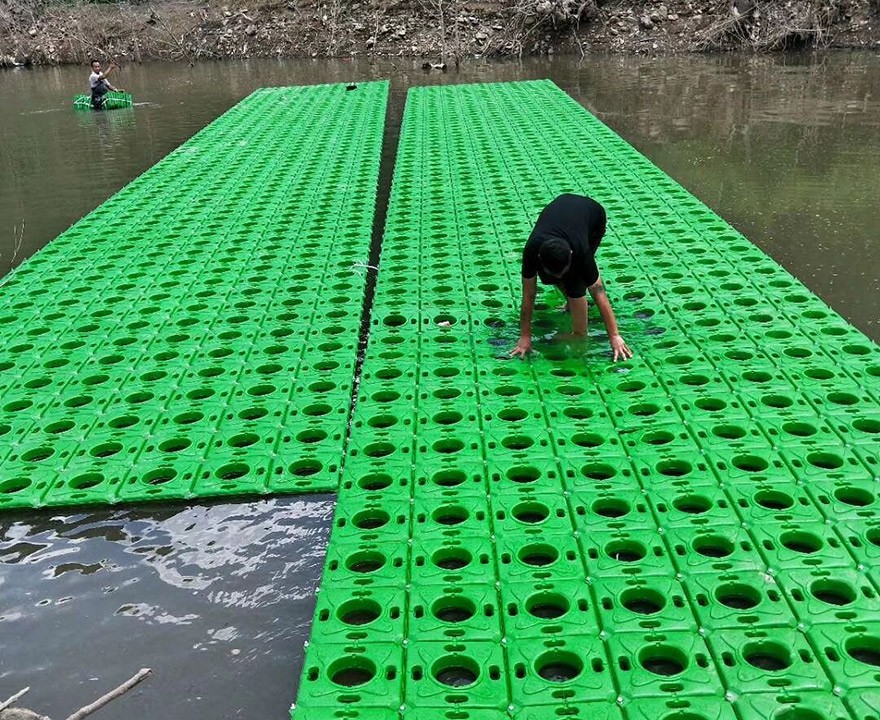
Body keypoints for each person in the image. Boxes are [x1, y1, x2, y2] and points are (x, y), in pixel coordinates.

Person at [510, 193, 633, 362]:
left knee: (577, 282)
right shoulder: (531, 251)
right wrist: (525, 337)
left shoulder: (581, 253)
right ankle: (572, 304)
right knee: (560, 281)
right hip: (562, 209)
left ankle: (578, 329)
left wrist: (614, 336)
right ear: (540, 260)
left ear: (571, 255)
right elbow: (528, 294)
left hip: (593, 216)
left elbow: (598, 292)